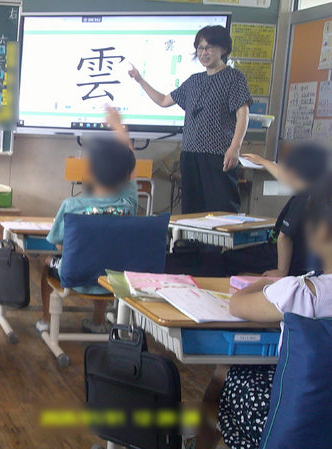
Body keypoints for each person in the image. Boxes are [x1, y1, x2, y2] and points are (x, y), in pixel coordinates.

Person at [212, 177, 332, 449]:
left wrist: (269, 281)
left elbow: (237, 304)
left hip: (295, 426)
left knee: (224, 377)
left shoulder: (301, 292)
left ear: (322, 232)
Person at [129, 25, 253, 214]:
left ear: (223, 49)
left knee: (222, 208)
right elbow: (163, 101)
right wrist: (140, 80)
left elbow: (242, 114)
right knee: (192, 211)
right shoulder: (194, 81)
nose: (204, 53)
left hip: (218, 155)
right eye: (200, 48)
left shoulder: (234, 78)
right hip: (190, 154)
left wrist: (235, 147)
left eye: (209, 47)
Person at [38, 105, 137, 334]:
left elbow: (60, 245)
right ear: (127, 178)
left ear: (89, 173)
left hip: (77, 277)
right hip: (115, 281)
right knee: (106, 257)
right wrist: (120, 129)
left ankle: (46, 319)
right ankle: (99, 321)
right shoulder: (129, 203)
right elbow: (130, 166)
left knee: (48, 262)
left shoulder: (71, 206)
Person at [222, 143, 329, 277]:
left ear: (293, 173)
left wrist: (281, 271)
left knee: (225, 257)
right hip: (283, 254)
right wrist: (262, 161)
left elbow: (285, 237)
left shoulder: (302, 199)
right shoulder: (318, 191)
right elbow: (286, 177)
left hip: (278, 258)